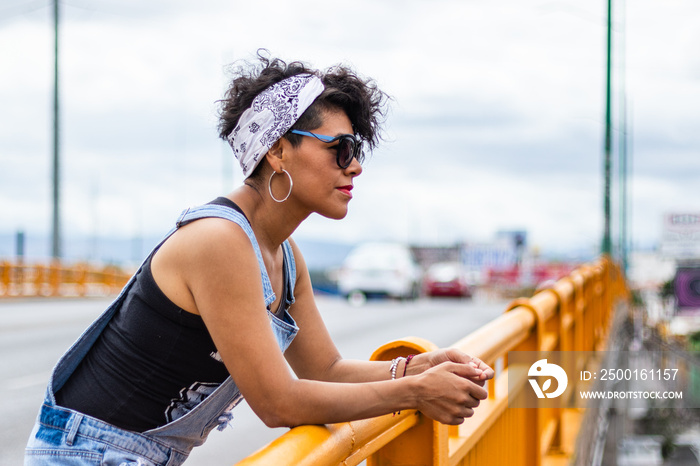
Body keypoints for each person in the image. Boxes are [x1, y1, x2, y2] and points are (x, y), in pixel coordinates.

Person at [25, 53, 494, 465]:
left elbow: (324, 371)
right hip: (84, 454)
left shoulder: (285, 255)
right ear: (278, 150)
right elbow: (277, 402)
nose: (355, 166)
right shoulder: (219, 241)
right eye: (340, 149)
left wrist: (420, 368)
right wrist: (415, 393)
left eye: (357, 150)